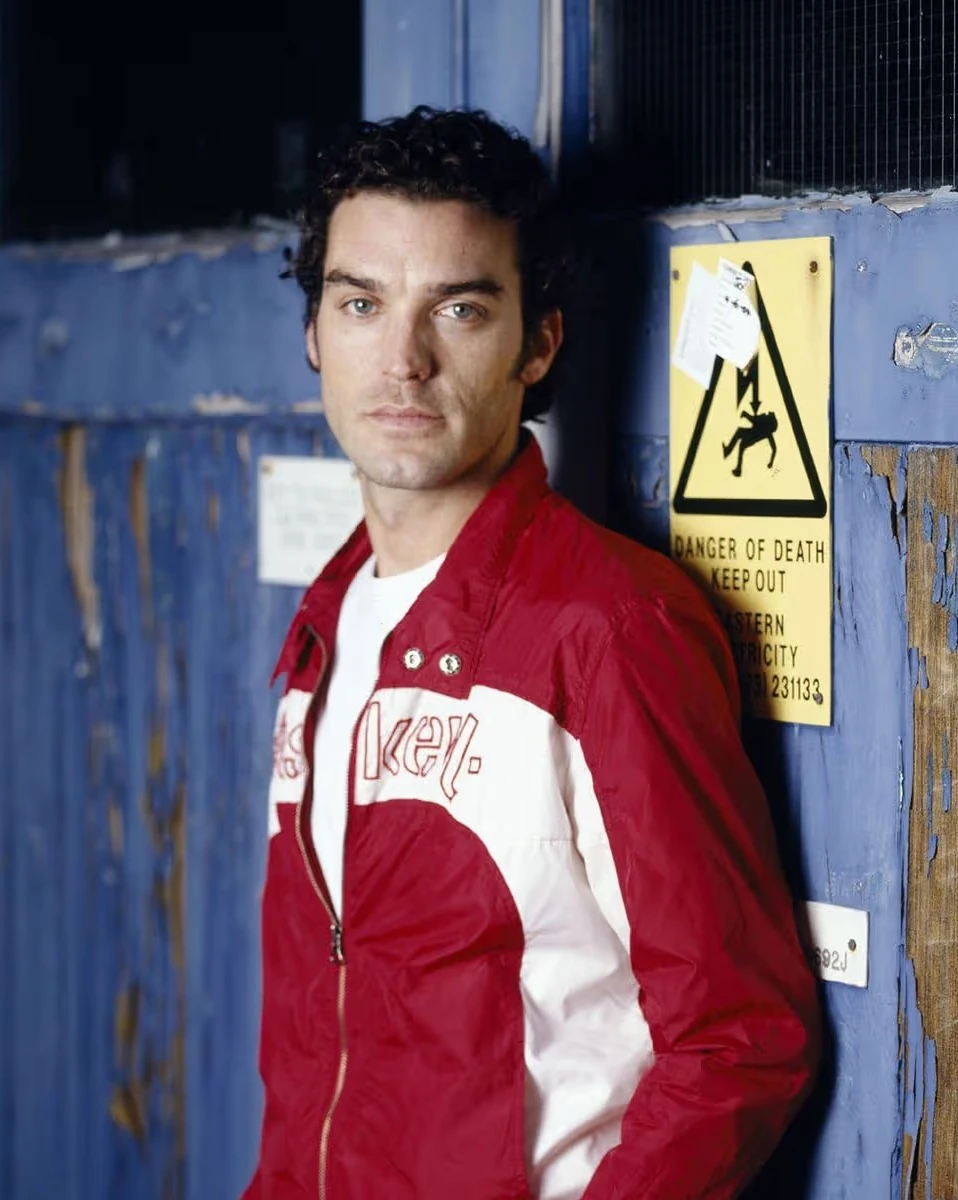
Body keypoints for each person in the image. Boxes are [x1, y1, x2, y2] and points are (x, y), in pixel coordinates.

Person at [244, 106, 819, 1200]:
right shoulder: (330, 617)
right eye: (361, 304)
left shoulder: (608, 628)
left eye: (458, 309)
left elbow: (739, 1039)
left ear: (539, 344)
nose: (403, 360)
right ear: (315, 333)